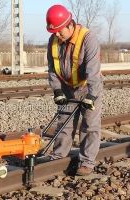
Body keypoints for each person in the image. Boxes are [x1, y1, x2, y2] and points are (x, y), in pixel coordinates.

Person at [46, 4, 103, 176]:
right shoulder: (54, 41)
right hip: (67, 88)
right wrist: (57, 90)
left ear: (70, 25)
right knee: (63, 123)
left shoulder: (88, 39)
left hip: (88, 87)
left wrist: (92, 95)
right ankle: (58, 158)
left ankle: (87, 162)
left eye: (60, 31)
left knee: (89, 126)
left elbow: (93, 69)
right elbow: (52, 67)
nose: (57, 34)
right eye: (53, 31)